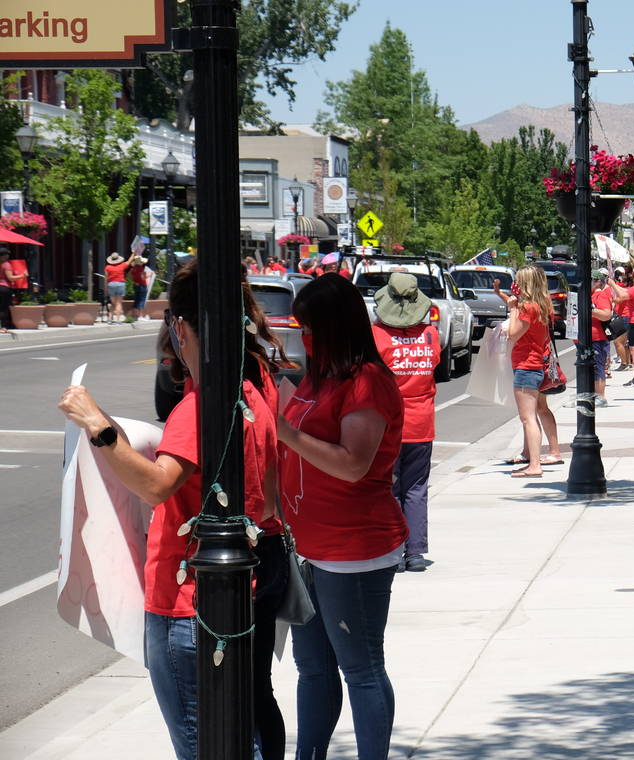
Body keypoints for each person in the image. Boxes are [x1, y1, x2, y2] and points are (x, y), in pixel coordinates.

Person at [57, 260, 286, 760]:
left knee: (201, 744)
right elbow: (267, 501)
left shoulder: (199, 406)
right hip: (236, 593)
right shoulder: (254, 394)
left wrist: (97, 423)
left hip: (185, 603)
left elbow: (158, 486)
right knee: (240, 734)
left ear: (180, 328)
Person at [277, 273, 408, 760]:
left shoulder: (367, 382)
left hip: (354, 550)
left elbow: (353, 464)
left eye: (309, 328)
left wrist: (285, 432)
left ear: (334, 326)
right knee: (311, 667)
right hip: (308, 546)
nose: (302, 337)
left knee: (361, 668)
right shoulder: (319, 375)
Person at [372, 273, 441, 572]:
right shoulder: (430, 335)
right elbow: (434, 364)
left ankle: (393, 547)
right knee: (416, 487)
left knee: (387, 488)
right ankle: (414, 551)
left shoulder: (377, 336)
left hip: (387, 424)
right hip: (421, 421)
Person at [494, 272, 563, 469]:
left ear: (526, 283)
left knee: (528, 418)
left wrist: (513, 308)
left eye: (518, 281)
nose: (515, 284)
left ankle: (534, 464)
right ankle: (531, 456)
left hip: (527, 365)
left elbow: (514, 334)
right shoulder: (541, 306)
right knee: (534, 413)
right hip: (536, 363)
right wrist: (502, 296)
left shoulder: (526, 308)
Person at [587, 269, 625, 407]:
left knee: (598, 367)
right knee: (591, 367)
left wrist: (590, 310)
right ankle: (594, 395)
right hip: (590, 337)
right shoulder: (593, 295)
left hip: (598, 337)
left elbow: (606, 314)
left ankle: (600, 396)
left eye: (590, 280)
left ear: (597, 282)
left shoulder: (601, 295)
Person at [0, 246, 28, 333]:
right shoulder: (6, 264)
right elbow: (10, 278)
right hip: (4, 287)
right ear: (4, 256)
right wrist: (23, 275)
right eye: (7, 254)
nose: (8, 256)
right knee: (4, 308)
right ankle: (3, 326)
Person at [104, 252, 130, 323]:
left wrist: (105, 288)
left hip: (111, 284)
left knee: (113, 303)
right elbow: (129, 261)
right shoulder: (122, 265)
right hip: (120, 284)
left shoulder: (107, 267)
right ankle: (118, 320)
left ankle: (110, 318)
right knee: (119, 303)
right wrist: (133, 253)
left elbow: (106, 278)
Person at [129, 256, 150, 322]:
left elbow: (132, 278)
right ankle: (140, 316)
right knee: (141, 300)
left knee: (136, 300)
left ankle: (135, 315)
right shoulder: (141, 269)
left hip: (136, 285)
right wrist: (149, 275)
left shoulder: (132, 269)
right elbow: (143, 277)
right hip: (142, 285)